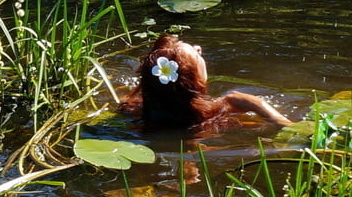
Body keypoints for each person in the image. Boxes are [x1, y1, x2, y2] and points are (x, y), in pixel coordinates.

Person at [120, 33, 292, 130]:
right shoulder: (216, 118)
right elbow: (292, 129)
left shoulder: (132, 109)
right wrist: (258, 104)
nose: (198, 48)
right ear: (192, 81)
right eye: (196, 55)